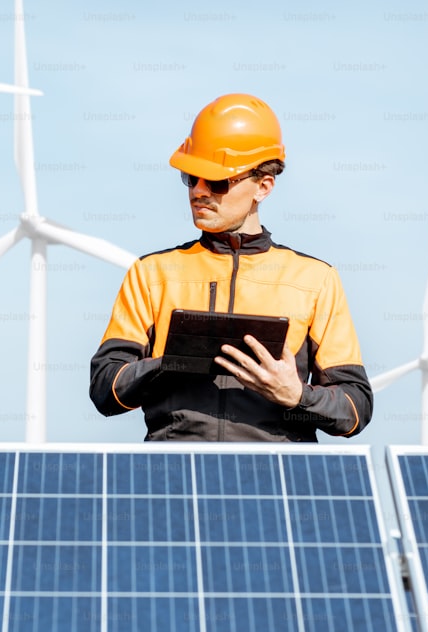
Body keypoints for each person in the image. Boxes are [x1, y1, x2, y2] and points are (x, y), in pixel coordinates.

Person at [89, 93, 372, 441]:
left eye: (217, 182)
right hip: (174, 479)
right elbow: (105, 388)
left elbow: (356, 407)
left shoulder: (315, 280)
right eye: (191, 178)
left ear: (263, 187)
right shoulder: (152, 274)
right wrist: (174, 362)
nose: (199, 192)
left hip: (279, 482)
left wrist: (296, 395)